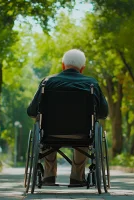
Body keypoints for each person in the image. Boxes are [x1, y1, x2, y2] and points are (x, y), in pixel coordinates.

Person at [27, 49, 109, 185]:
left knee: (42, 126)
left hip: (50, 134)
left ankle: (48, 175)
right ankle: (77, 177)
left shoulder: (47, 83)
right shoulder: (92, 84)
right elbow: (103, 113)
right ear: (82, 68)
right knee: (89, 129)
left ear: (63, 65)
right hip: (82, 135)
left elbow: (32, 111)